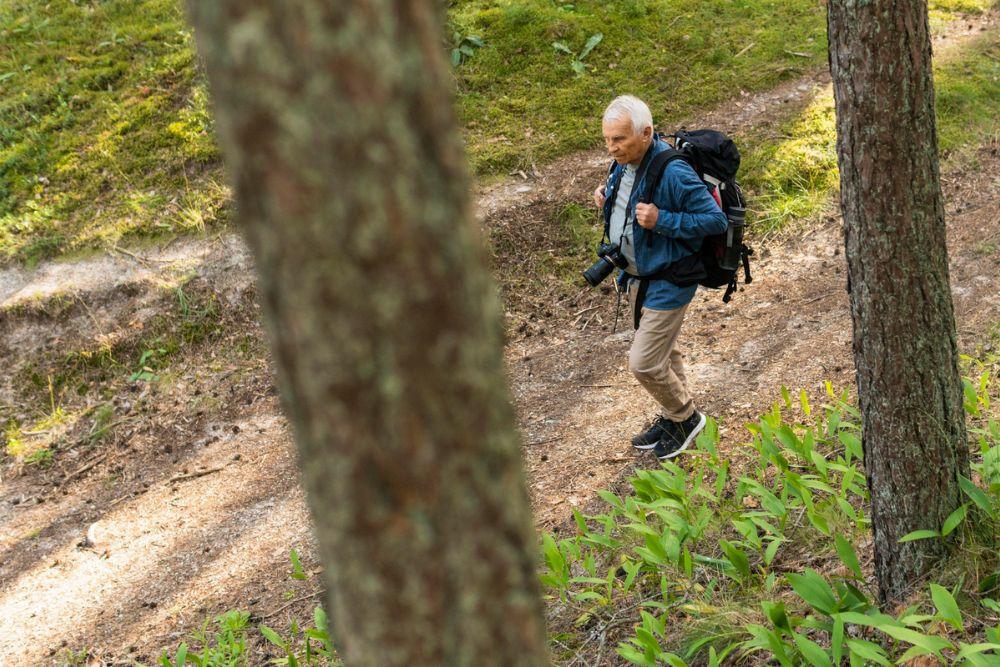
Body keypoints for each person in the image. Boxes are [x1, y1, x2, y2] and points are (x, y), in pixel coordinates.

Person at [593, 95, 727, 461]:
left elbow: (715, 220)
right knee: (664, 351)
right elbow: (629, 206)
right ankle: (673, 415)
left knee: (645, 362)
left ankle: (686, 418)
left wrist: (662, 219)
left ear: (646, 133)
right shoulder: (622, 163)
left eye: (619, 139)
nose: (611, 147)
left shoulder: (673, 171)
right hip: (640, 274)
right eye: (607, 139)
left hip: (671, 276)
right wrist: (607, 197)